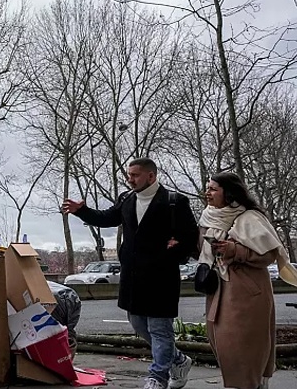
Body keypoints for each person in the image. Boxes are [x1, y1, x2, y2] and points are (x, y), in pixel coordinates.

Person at [62, 158, 199, 389]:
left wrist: (174, 253)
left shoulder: (174, 201)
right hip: (133, 276)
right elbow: (106, 218)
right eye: (129, 174)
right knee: (138, 325)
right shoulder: (126, 199)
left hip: (161, 277)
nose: (130, 179)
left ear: (151, 176)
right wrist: (81, 211)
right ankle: (178, 360)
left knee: (159, 328)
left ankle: (157, 378)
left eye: (135, 175)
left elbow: (190, 236)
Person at [199, 172, 297, 389]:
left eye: (214, 188)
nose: (208, 192)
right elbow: (201, 250)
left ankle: (252, 384)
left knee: (246, 347)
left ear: (229, 193)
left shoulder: (250, 218)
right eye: (208, 188)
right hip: (218, 290)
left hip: (247, 293)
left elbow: (269, 255)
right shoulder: (208, 217)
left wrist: (235, 250)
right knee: (223, 344)